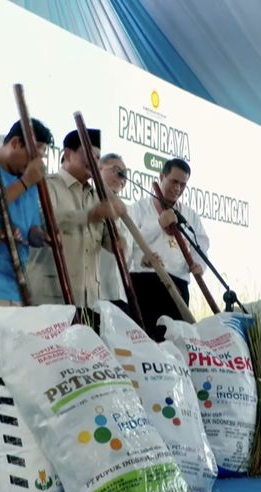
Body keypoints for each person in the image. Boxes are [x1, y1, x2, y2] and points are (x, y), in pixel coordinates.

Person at [27, 129, 123, 308]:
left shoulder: (96, 196)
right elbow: (44, 219)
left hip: (89, 300)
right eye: (90, 155)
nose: (94, 162)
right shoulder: (46, 185)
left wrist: (117, 243)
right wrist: (90, 215)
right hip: (51, 298)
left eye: (97, 158)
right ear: (68, 154)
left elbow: (106, 240)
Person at [0, 119, 52, 306]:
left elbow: (31, 228)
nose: (36, 164)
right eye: (33, 156)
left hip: (17, 288)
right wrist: (25, 181)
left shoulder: (28, 179)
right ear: (15, 143)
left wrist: (41, 236)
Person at [129, 158, 208, 339]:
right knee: (147, 341)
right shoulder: (139, 209)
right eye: (174, 181)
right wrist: (159, 224)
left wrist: (198, 265)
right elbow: (130, 241)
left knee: (177, 343)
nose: (177, 188)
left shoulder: (189, 215)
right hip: (145, 284)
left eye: (183, 184)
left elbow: (202, 244)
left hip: (178, 285)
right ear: (162, 176)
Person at [97, 153, 133, 313]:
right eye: (116, 170)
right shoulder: (87, 200)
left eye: (124, 174)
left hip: (121, 294)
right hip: (95, 295)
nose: (121, 177)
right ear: (98, 169)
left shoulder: (129, 212)